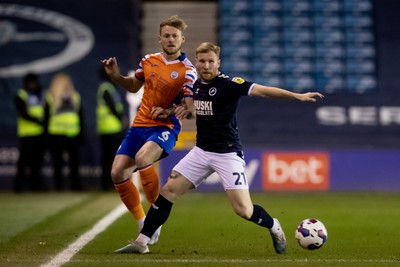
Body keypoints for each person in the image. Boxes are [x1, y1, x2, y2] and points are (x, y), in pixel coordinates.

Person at [115, 42, 324, 254]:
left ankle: (273, 225)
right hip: (201, 152)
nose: (206, 66)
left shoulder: (230, 84)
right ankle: (141, 242)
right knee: (168, 191)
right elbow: (186, 109)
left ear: (218, 63)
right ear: (196, 62)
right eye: (202, 61)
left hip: (227, 153)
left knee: (244, 210)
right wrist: (167, 111)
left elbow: (262, 91)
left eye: (210, 61)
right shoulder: (193, 85)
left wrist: (296, 95)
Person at [100, 15, 197, 244]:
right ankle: (144, 223)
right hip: (139, 126)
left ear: (182, 39)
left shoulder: (188, 71)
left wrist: (171, 111)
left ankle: (155, 221)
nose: (171, 39)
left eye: (175, 36)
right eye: (167, 36)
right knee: (117, 173)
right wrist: (115, 76)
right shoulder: (148, 60)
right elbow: (134, 87)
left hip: (165, 128)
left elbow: (191, 109)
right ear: (160, 39)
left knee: (143, 157)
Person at [45, 73, 85, 191]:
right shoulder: (50, 97)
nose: (67, 85)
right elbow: (46, 118)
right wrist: (46, 137)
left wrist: (81, 133)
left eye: (68, 82)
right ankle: (58, 187)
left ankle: (76, 186)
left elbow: (81, 116)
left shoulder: (75, 97)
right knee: (58, 163)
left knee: (74, 162)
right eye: (64, 82)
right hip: (56, 134)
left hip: (73, 133)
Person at [14, 73, 48, 192]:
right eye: (31, 82)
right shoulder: (21, 95)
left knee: (37, 163)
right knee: (23, 163)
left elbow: (46, 110)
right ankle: (19, 187)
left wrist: (43, 125)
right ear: (26, 83)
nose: (33, 85)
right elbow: (23, 113)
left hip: (39, 134)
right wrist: (38, 121)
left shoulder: (41, 95)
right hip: (27, 134)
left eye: (35, 82)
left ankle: (36, 186)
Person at [96, 67, 125, 191]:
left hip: (109, 128)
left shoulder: (109, 88)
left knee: (109, 158)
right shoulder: (106, 88)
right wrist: (121, 118)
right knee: (111, 159)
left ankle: (108, 184)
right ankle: (108, 184)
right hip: (110, 128)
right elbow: (112, 106)